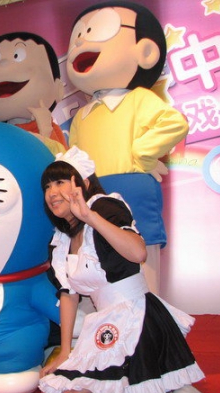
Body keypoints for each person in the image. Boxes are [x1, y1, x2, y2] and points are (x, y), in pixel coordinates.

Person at [39, 147, 219, 393]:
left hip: (136, 318)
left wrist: (89, 216)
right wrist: (65, 351)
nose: (52, 192)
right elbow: (69, 295)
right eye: (47, 187)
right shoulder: (61, 239)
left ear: (84, 183)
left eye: (59, 182)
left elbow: (138, 253)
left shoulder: (104, 206)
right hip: (104, 323)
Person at [66, 1, 189, 294]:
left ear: (145, 52)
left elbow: (174, 123)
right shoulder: (82, 115)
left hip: (132, 185)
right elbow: (75, 158)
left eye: (97, 31)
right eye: (78, 35)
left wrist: (142, 154)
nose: (81, 42)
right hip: (93, 193)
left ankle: (150, 315)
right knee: (95, 258)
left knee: (142, 254)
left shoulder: (138, 99)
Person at [0, 32, 67, 154]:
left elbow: (63, 160)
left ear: (58, 89)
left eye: (17, 55)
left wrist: (45, 131)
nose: (3, 63)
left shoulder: (50, 129)